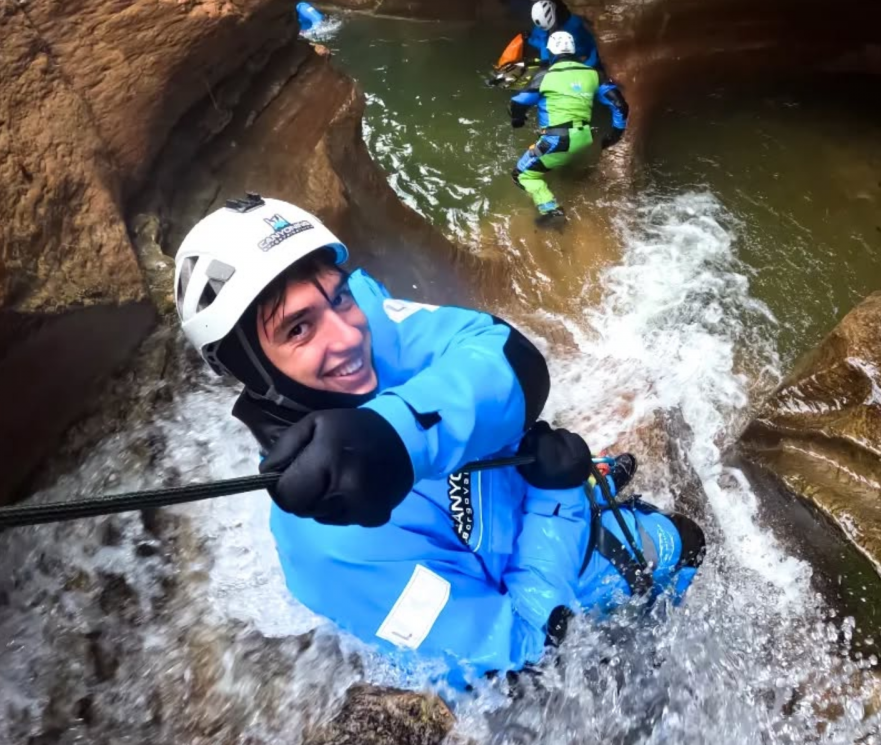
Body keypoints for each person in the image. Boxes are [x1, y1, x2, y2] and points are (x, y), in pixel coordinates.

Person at [173, 194, 704, 690]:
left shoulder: (372, 320)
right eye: (297, 330)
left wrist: (396, 432)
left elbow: (503, 353)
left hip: (546, 511)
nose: (348, 336)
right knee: (685, 547)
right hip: (559, 574)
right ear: (253, 370)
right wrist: (556, 499)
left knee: (681, 537)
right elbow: (521, 663)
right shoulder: (329, 550)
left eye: (338, 298)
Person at [509, 31, 630, 223]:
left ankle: (552, 211)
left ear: (550, 51)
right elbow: (620, 106)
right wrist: (615, 134)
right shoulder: (594, 74)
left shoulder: (544, 76)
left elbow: (518, 102)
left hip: (558, 140)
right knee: (556, 162)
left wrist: (518, 120)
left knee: (521, 175)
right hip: (584, 138)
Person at [526, 0, 599, 68]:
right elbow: (544, 43)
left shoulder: (576, 24)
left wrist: (588, 64)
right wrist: (531, 40)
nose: (551, 29)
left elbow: (595, 44)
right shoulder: (542, 27)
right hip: (562, 63)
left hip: (582, 61)